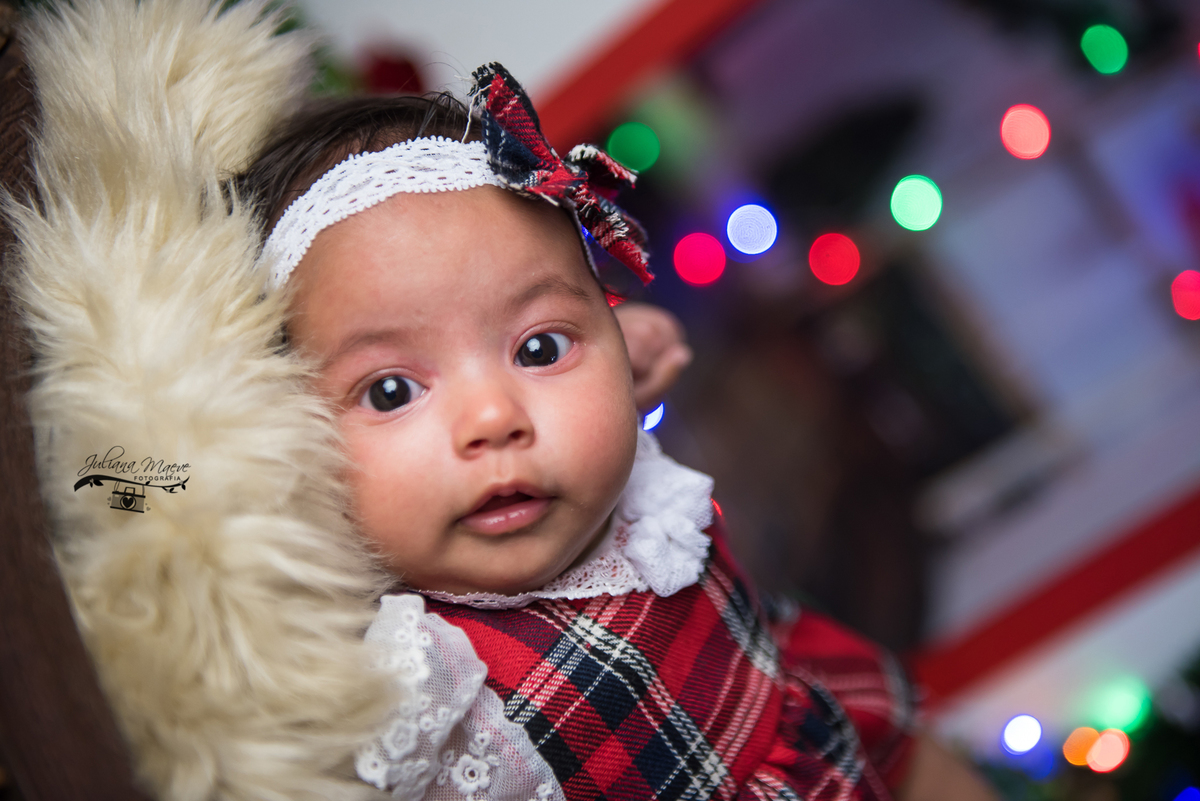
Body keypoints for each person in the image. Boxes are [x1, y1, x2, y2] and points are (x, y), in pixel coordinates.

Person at [235, 64, 1001, 801]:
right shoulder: (412, 683)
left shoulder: (641, 498)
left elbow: (883, 738)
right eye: (392, 390)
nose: (494, 417)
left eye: (537, 348)